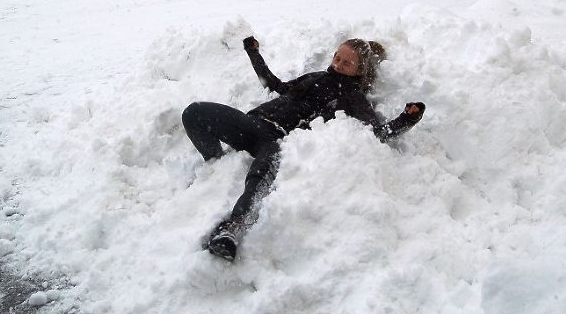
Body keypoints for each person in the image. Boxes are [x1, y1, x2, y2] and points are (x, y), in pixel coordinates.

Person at [181, 36, 425, 261]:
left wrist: (406, 119)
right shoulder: (315, 77)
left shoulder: (353, 97)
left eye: (347, 63)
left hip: (276, 139)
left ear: (360, 70)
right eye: (337, 58)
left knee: (260, 176)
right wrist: (254, 53)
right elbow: (275, 85)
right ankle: (215, 163)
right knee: (195, 113)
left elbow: (375, 133)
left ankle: (233, 227)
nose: (338, 65)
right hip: (251, 123)